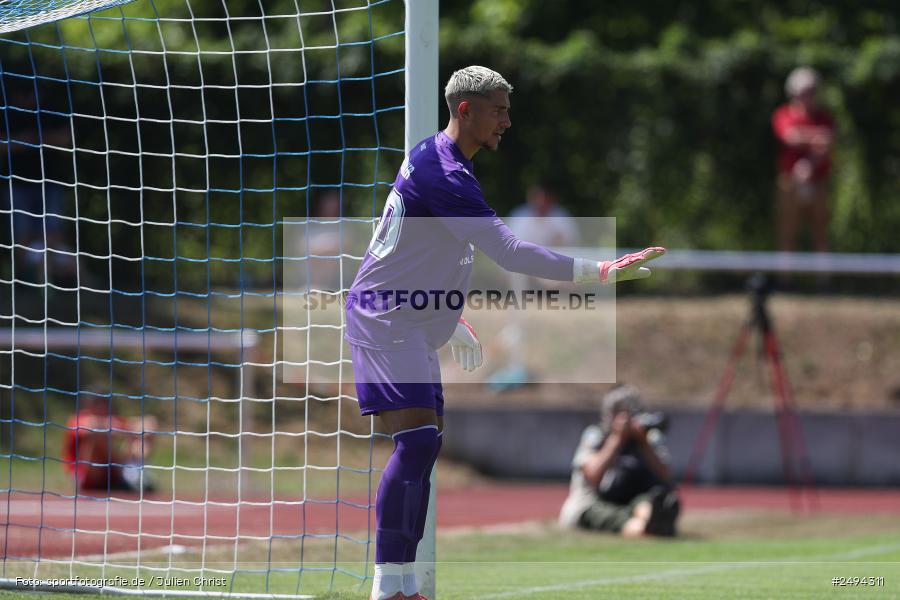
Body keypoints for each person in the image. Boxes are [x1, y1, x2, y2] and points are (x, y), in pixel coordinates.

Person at [344, 65, 665, 600]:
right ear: (465, 110)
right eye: (499, 109)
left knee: (425, 443)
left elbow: (429, 253)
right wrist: (601, 272)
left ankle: (401, 586)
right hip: (386, 315)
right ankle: (389, 587)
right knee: (418, 441)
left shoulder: (438, 158)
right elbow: (509, 251)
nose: (508, 122)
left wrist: (452, 320)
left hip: (411, 313)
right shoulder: (446, 172)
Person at [559, 385, 680, 537]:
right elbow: (593, 474)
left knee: (650, 501)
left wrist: (643, 443)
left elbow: (666, 476)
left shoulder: (647, 438)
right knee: (617, 517)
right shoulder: (596, 436)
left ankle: (655, 519)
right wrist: (617, 438)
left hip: (630, 501)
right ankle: (645, 528)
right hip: (593, 503)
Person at [771, 67, 835, 253]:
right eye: (804, 92)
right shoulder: (784, 114)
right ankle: (785, 280)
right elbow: (790, 137)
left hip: (818, 181)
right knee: (787, 232)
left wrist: (808, 164)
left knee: (821, 233)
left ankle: (823, 280)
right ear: (793, 92)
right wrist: (816, 138)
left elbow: (827, 142)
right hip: (789, 182)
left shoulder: (824, 117)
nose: (809, 96)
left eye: (812, 91)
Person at [61, 397, 157, 493]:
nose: (103, 409)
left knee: (140, 441)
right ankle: (131, 476)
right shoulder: (79, 419)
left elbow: (149, 424)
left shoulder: (111, 420)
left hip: (111, 474)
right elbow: (90, 428)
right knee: (98, 438)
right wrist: (116, 428)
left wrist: (129, 431)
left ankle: (135, 476)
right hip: (86, 475)